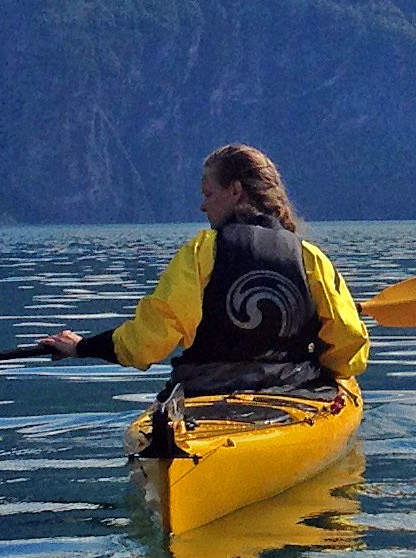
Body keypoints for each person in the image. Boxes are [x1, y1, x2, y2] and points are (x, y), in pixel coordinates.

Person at [41, 143, 370, 401]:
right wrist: (322, 368)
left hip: (205, 398)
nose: (202, 206)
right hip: (292, 396)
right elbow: (349, 344)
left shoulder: (201, 252)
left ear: (236, 191)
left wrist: (83, 347)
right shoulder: (309, 257)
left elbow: (148, 342)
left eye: (208, 194)